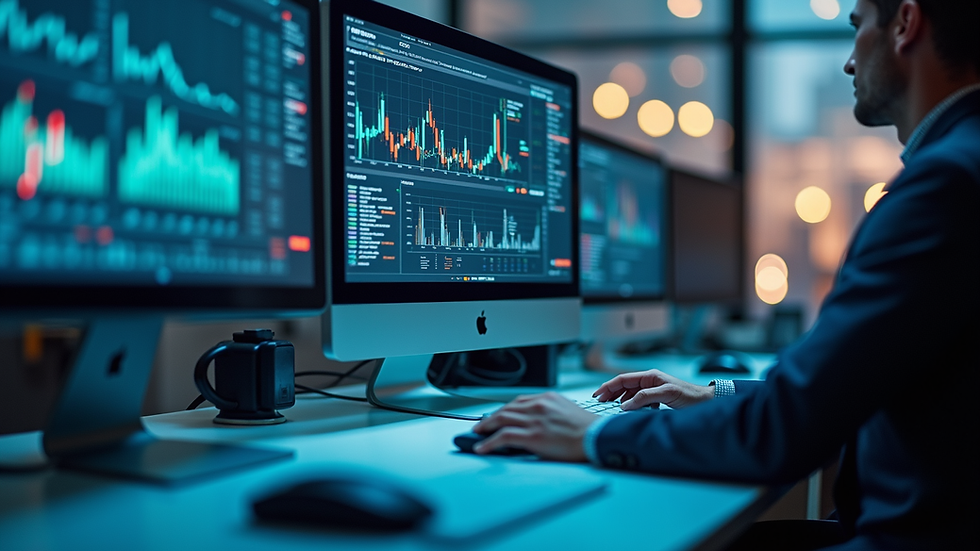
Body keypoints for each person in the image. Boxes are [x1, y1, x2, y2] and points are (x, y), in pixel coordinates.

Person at [473, 1, 980, 550]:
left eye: (857, 27)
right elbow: (857, 387)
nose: (848, 63)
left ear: (906, 23)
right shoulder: (962, 163)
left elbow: (789, 432)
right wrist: (718, 393)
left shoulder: (944, 186)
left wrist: (595, 432)